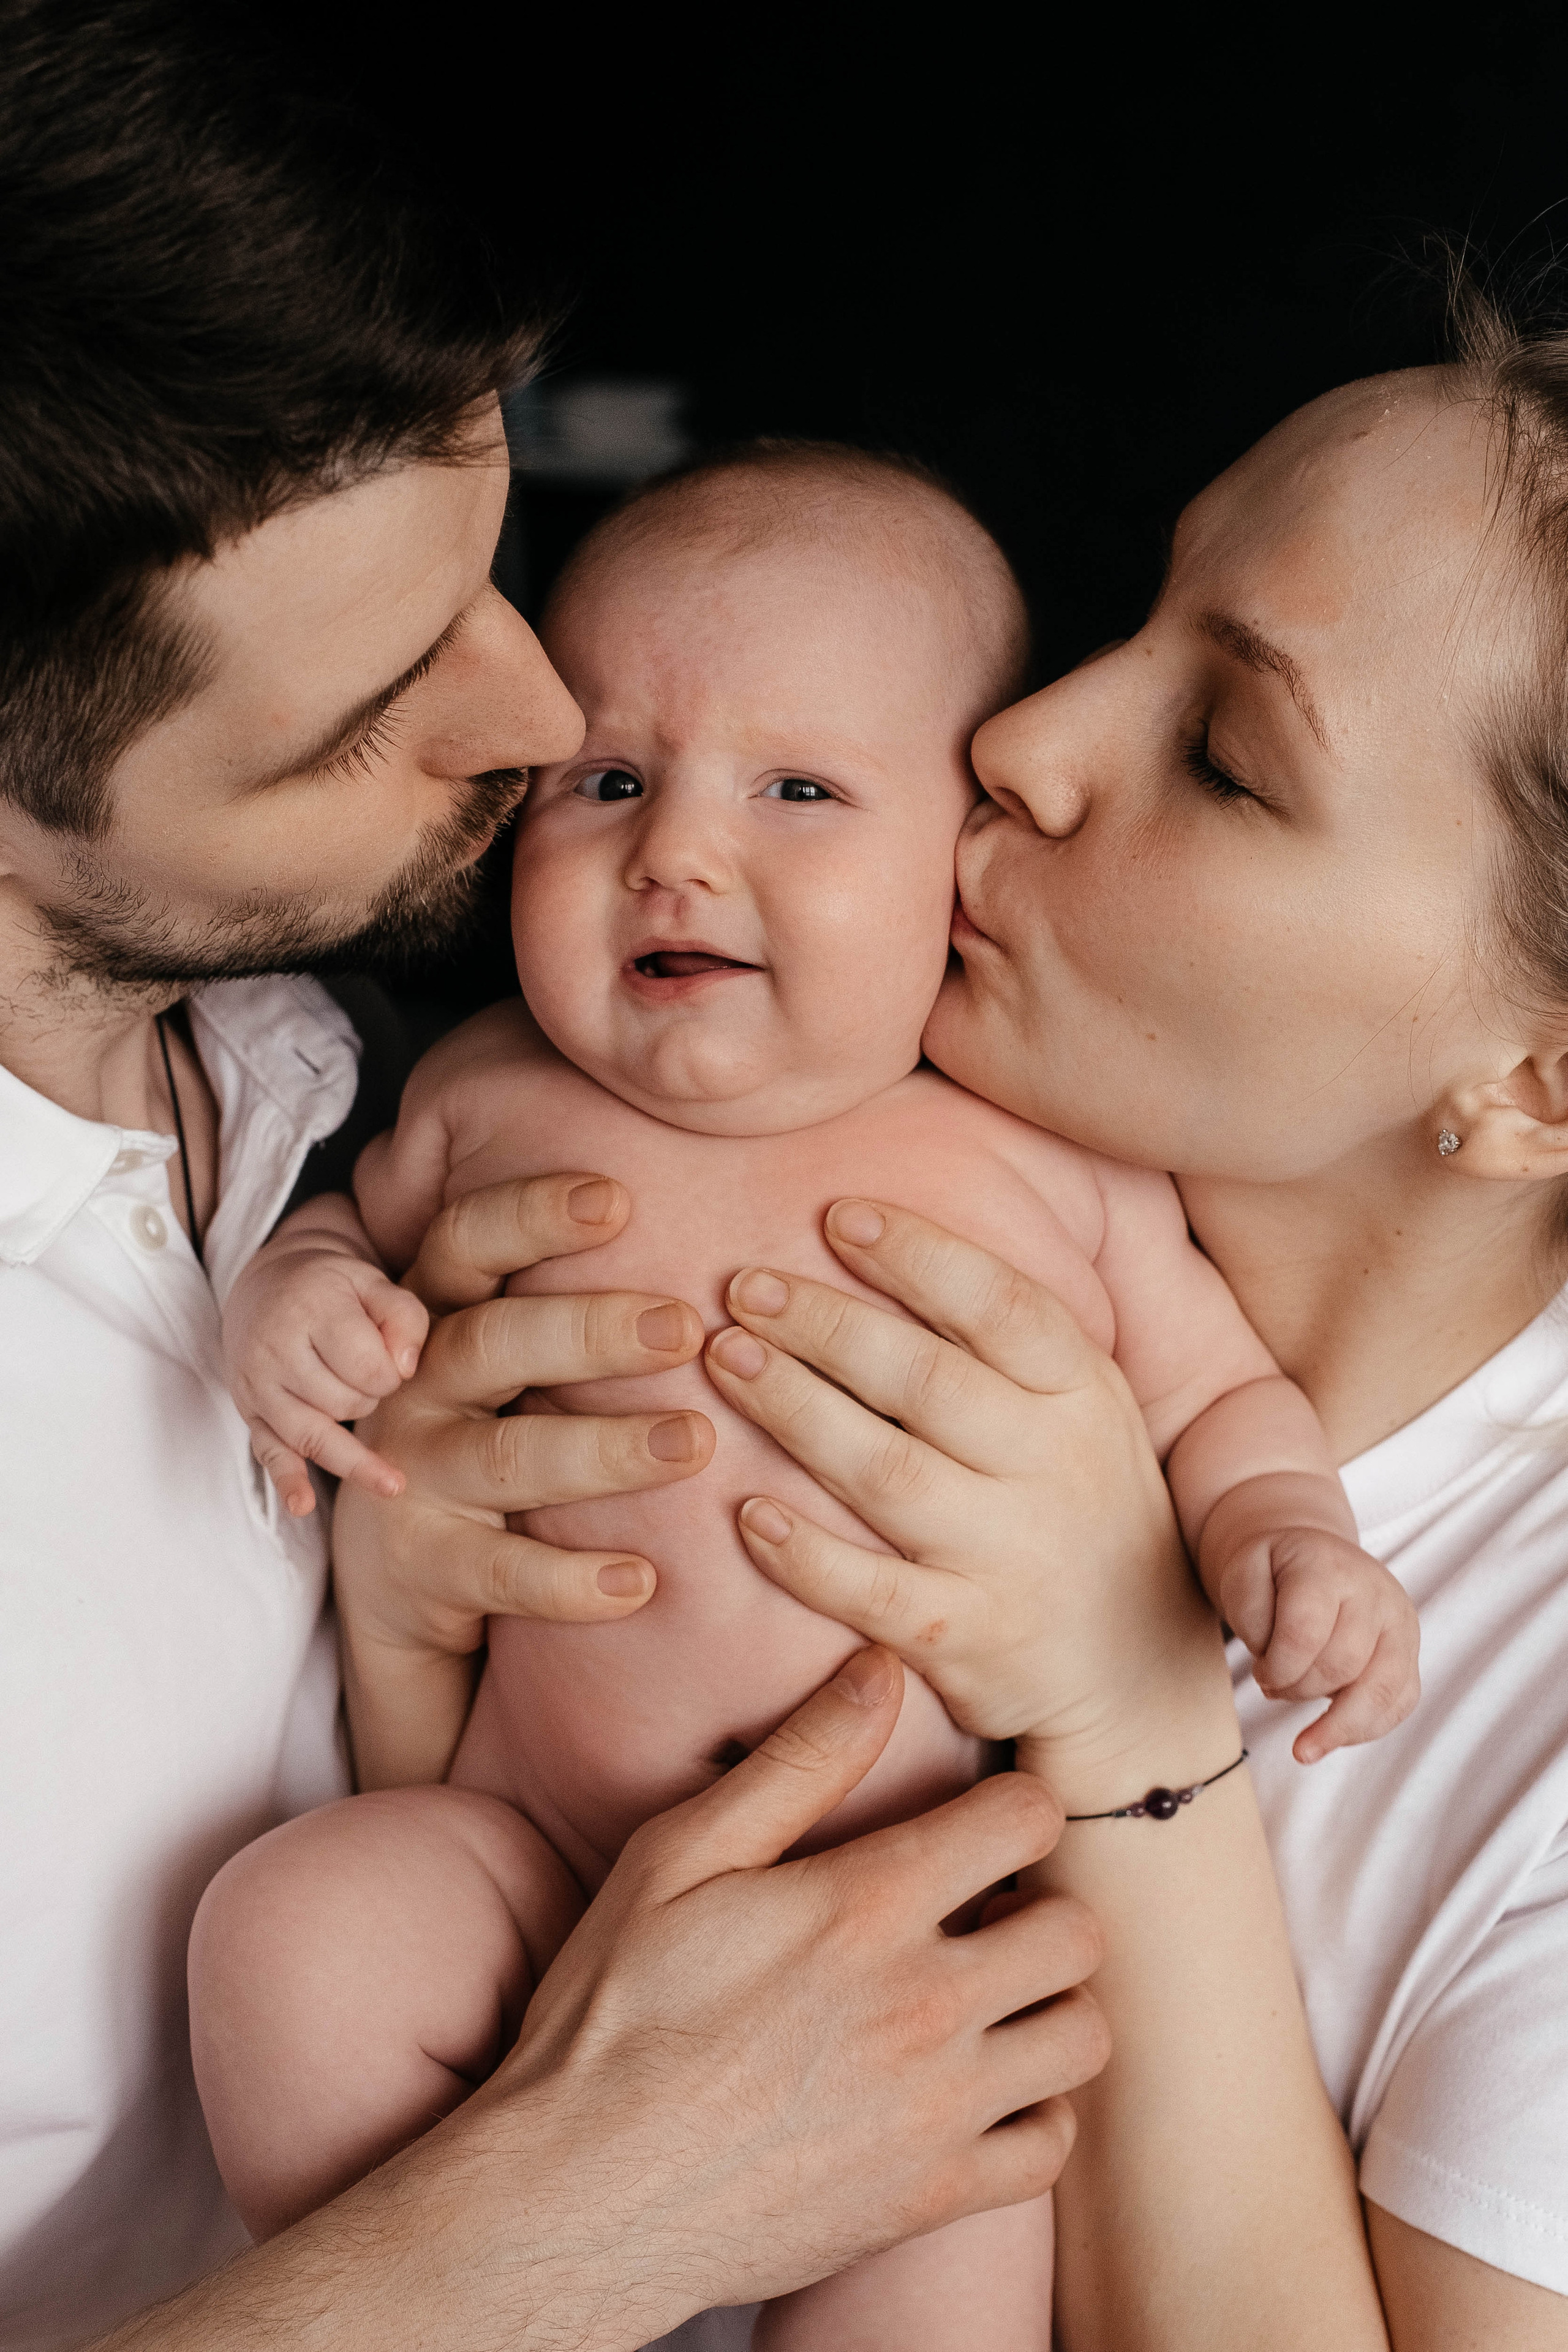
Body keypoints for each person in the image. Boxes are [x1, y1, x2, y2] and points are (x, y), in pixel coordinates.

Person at [0, 9, 1110, 2347]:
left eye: (499, 571)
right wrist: (570, 2220)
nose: (540, 729)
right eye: (373, 696)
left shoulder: (333, 1080)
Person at [189, 441, 1414, 2346]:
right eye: (607, 779)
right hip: (522, 1858)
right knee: (293, 1932)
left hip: (903, 1928)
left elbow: (1216, 1393)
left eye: (801, 789)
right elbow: (341, 1238)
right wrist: (303, 1300)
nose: (675, 849)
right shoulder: (480, 1095)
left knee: (975, 2210)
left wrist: (1287, 1541)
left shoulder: (1037, 1150)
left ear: (964, 855)